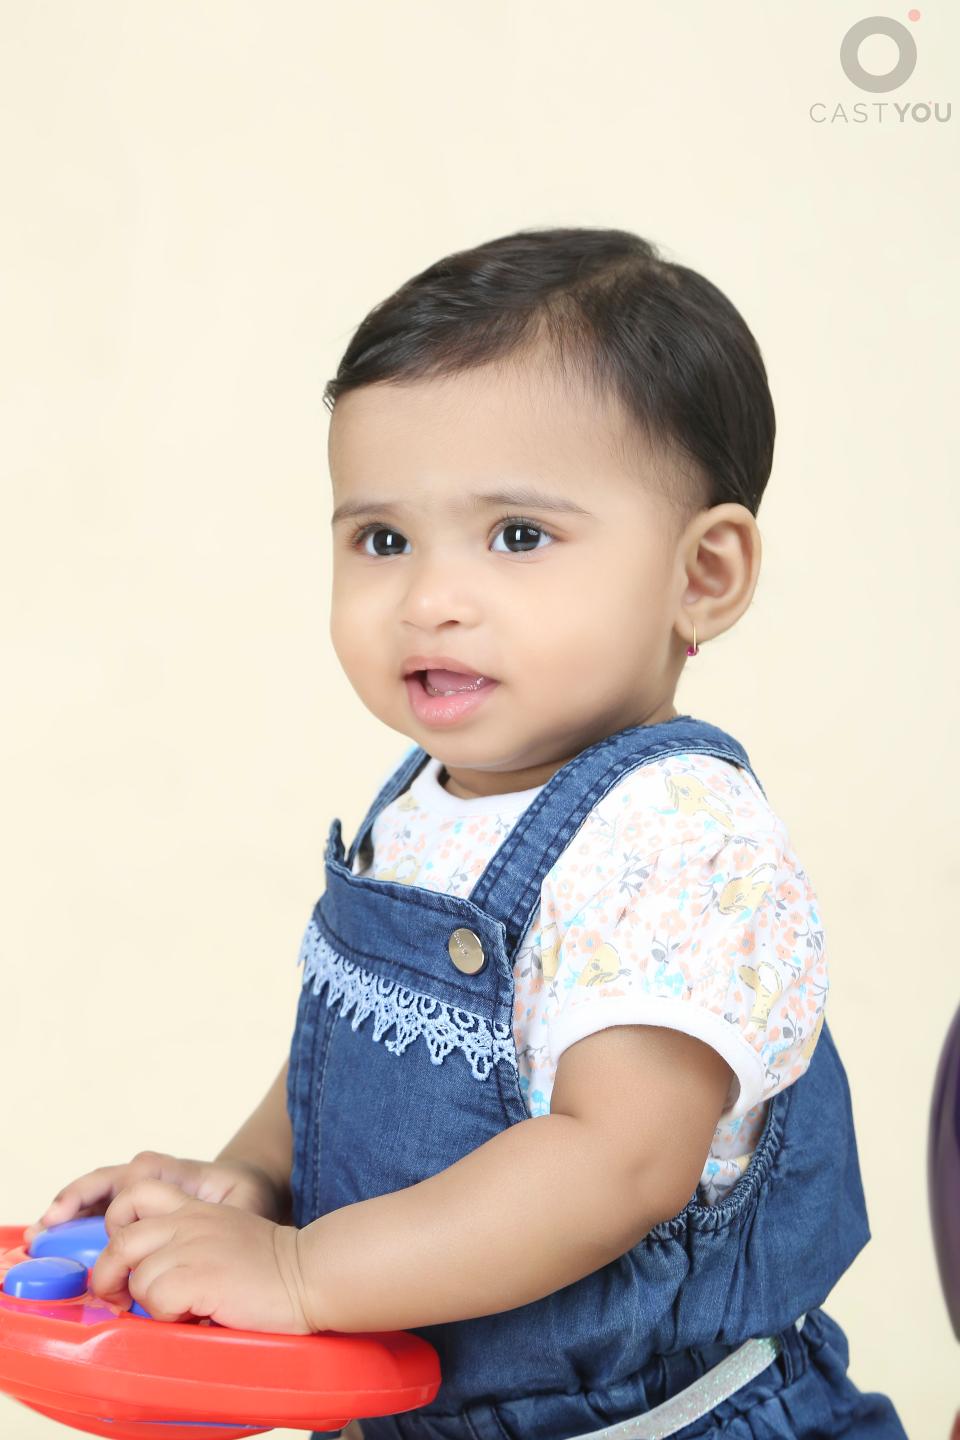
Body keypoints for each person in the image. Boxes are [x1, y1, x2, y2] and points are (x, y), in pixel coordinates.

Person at [24, 227, 908, 1439]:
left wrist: (300, 1274)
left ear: (701, 575)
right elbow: (361, 1037)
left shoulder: (679, 841)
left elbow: (613, 1163)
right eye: (382, 540)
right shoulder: (429, 801)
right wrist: (255, 1182)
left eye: (518, 536)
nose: (429, 598)